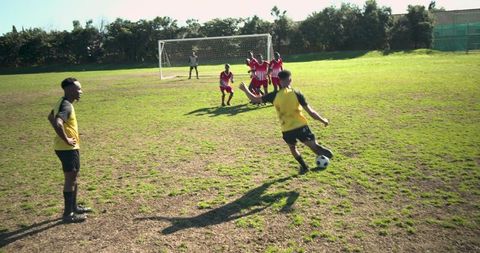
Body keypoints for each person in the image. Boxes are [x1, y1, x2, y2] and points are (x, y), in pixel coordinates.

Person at [239, 70, 333, 174]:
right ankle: (327, 156)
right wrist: (323, 120)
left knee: (293, 148)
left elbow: (255, 99)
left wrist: (245, 89)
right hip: (301, 126)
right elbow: (311, 113)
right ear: (290, 80)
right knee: (314, 146)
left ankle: (304, 166)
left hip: (287, 129)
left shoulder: (274, 95)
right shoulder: (297, 93)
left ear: (279, 81)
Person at [48, 78, 92, 223]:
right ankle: (68, 214)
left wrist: (68, 133)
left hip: (65, 147)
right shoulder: (66, 105)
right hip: (67, 148)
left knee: (73, 177)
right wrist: (67, 139)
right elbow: (58, 122)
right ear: (69, 90)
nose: (81, 92)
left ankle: (74, 207)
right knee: (70, 179)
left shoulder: (61, 102)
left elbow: (50, 117)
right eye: (78, 89)